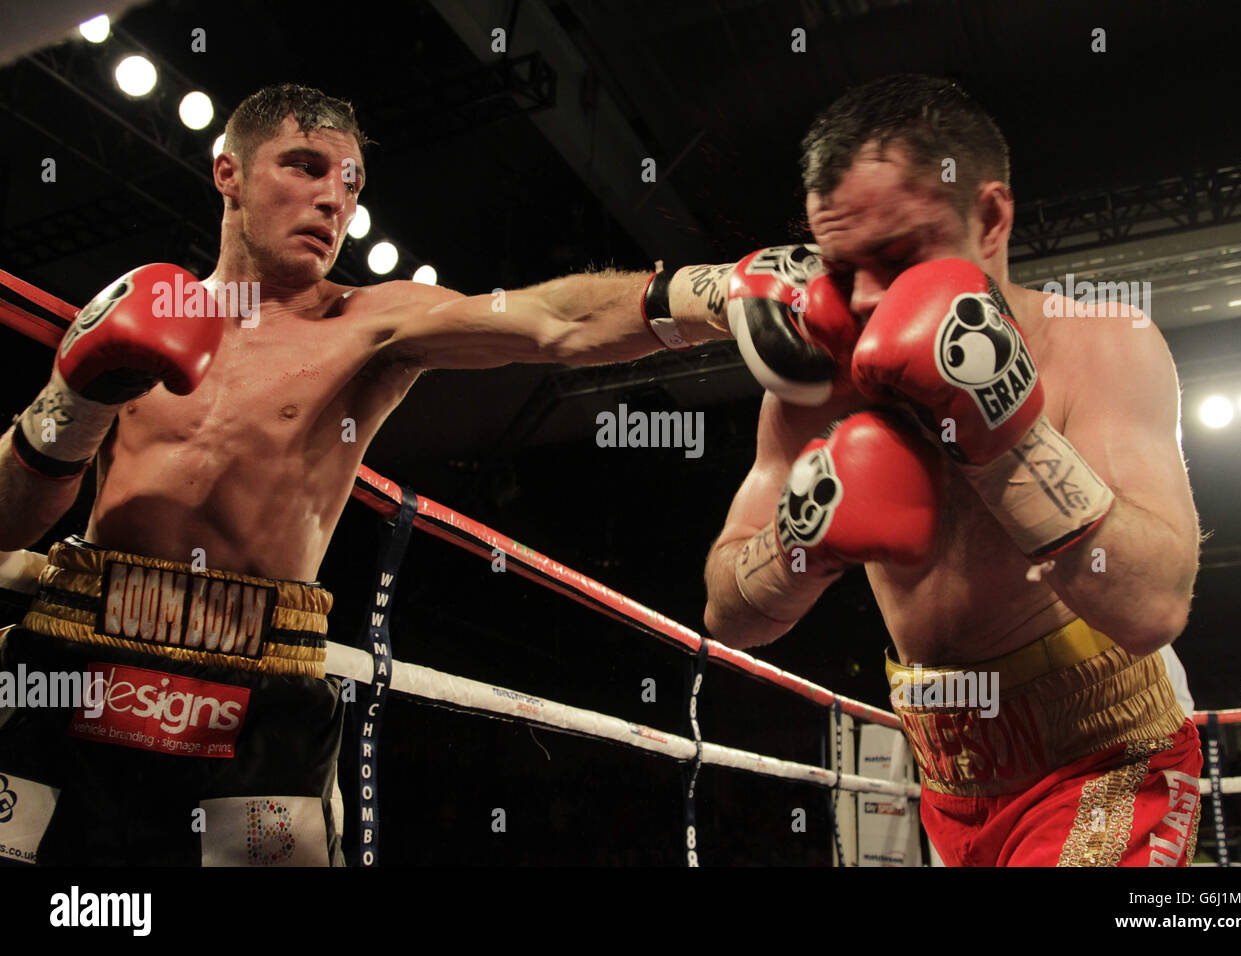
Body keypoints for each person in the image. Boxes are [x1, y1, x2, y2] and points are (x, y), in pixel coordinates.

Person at [0, 83, 734, 866]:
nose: (332, 202)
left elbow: (556, 321)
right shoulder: (132, 313)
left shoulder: (376, 323)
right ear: (229, 174)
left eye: (349, 184)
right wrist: (72, 400)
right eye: (305, 167)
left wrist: (715, 291)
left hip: (260, 681)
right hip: (78, 648)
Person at [702, 75, 1204, 866]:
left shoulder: (1099, 342)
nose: (864, 299)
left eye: (898, 256)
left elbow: (1153, 605)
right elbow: (728, 612)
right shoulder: (814, 387)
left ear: (992, 216)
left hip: (1105, 758)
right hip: (947, 779)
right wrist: (800, 543)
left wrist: (1001, 432)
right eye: (841, 266)